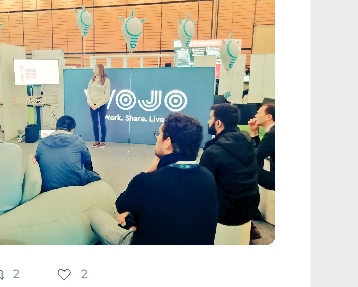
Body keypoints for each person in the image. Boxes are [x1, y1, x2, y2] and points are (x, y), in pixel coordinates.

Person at [90, 113, 218, 245]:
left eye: (159, 134)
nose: (157, 138)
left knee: (96, 216)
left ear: (167, 142)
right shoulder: (208, 178)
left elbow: (121, 204)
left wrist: (149, 170)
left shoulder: (146, 182)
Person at [199, 103, 260, 230]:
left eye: (210, 118)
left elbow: (203, 187)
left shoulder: (212, 151)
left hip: (226, 214)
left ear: (218, 123)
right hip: (251, 208)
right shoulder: (249, 142)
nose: (208, 122)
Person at [34, 115, 101, 192]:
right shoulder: (79, 141)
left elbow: (36, 163)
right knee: (96, 177)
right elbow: (87, 162)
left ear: (55, 128)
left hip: (48, 187)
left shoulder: (42, 143)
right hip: (75, 184)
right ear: (72, 130)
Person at [248, 103, 275, 190]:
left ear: (268, 117)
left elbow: (255, 157)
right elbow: (258, 154)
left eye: (258, 113)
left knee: (246, 167)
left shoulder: (272, 134)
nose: (255, 116)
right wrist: (254, 131)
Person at [86, 63, 111, 147]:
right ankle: (96, 141)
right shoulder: (91, 80)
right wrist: (91, 104)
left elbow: (106, 95)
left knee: (102, 123)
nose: (94, 71)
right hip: (92, 105)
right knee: (95, 123)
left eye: (95, 69)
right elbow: (88, 92)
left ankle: (102, 141)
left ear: (100, 70)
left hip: (101, 105)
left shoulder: (106, 81)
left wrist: (97, 105)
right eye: (94, 69)